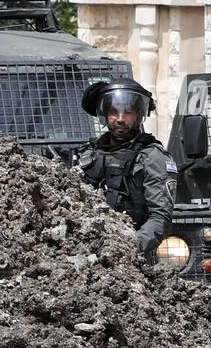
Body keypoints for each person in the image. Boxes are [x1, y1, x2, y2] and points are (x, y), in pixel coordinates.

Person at [75, 79, 176, 253]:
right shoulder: (87, 154)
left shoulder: (152, 157)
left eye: (128, 112)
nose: (120, 119)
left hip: (132, 254)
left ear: (138, 115)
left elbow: (160, 217)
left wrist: (129, 248)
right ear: (105, 115)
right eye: (114, 112)